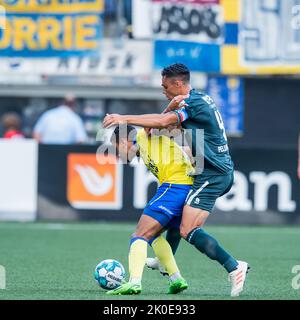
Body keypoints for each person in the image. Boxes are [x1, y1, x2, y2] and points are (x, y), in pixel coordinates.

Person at [103, 63, 250, 297]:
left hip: (212, 173)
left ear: (178, 84)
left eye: (165, 86)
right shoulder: (196, 100)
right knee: (176, 226)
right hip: (206, 173)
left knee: (185, 229)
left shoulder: (193, 103)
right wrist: (169, 107)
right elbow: (164, 122)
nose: (163, 90)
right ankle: (169, 266)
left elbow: (162, 123)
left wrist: (122, 117)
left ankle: (234, 267)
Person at [106, 124, 193, 295]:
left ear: (123, 141)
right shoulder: (143, 147)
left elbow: (163, 124)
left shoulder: (145, 135)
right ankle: (176, 279)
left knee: (139, 234)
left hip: (174, 187)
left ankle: (134, 282)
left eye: (117, 149)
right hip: (182, 188)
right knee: (153, 234)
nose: (118, 154)